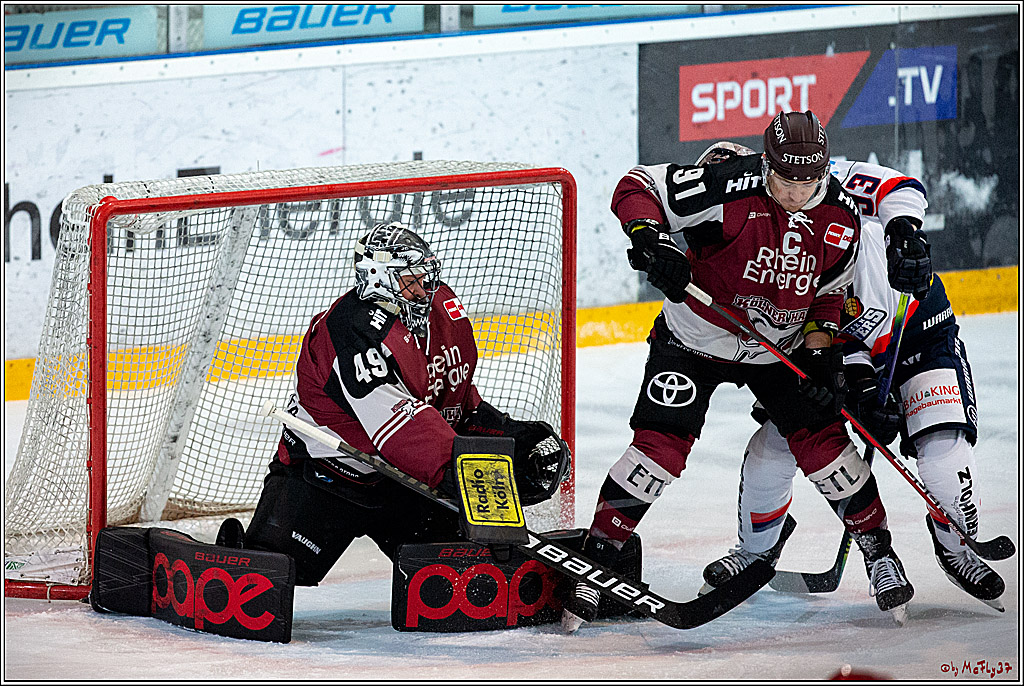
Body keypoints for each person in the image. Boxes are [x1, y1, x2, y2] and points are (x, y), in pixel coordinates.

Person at [561, 111, 913, 633]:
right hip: (694, 341)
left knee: (823, 442)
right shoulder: (728, 184)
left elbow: (830, 293)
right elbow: (636, 186)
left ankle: (880, 552)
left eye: (806, 181)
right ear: (765, 163)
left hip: (778, 348)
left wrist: (820, 352)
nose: (795, 192)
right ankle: (595, 560)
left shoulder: (841, 217)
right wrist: (650, 239)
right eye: (783, 178)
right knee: (658, 450)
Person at [697, 147, 1005, 611]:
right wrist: (857, 390)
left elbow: (899, 188)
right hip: (835, 353)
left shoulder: (820, 179)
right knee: (773, 448)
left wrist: (904, 232)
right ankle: (758, 550)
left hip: (916, 334)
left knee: (943, 453)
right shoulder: (748, 245)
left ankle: (957, 548)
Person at [217, 222, 569, 587]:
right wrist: (474, 471)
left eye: (424, 278)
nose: (422, 290)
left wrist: (515, 439)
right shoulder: (353, 329)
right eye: (409, 281)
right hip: (327, 476)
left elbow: (455, 403)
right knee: (263, 580)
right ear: (377, 278)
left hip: (403, 480)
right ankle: (240, 552)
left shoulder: (442, 313)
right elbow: (402, 430)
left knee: (464, 576)